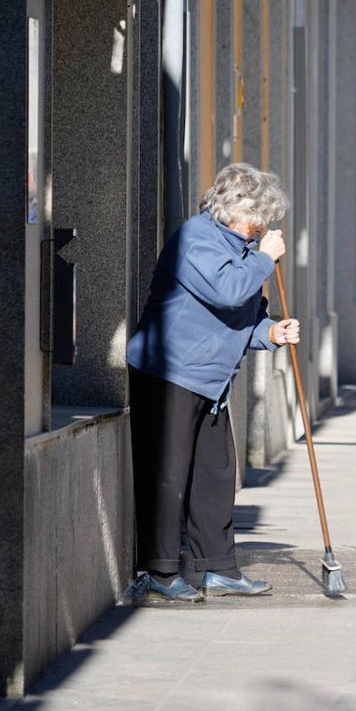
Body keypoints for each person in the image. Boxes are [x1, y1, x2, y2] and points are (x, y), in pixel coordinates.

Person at [121, 163, 300, 604]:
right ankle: (161, 571)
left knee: (216, 475)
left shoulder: (241, 248)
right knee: (167, 475)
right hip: (170, 373)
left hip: (211, 379)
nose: (262, 228)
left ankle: (216, 567)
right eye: (259, 218)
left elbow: (240, 317)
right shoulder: (195, 239)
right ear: (236, 210)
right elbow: (225, 291)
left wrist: (270, 333)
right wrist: (263, 259)